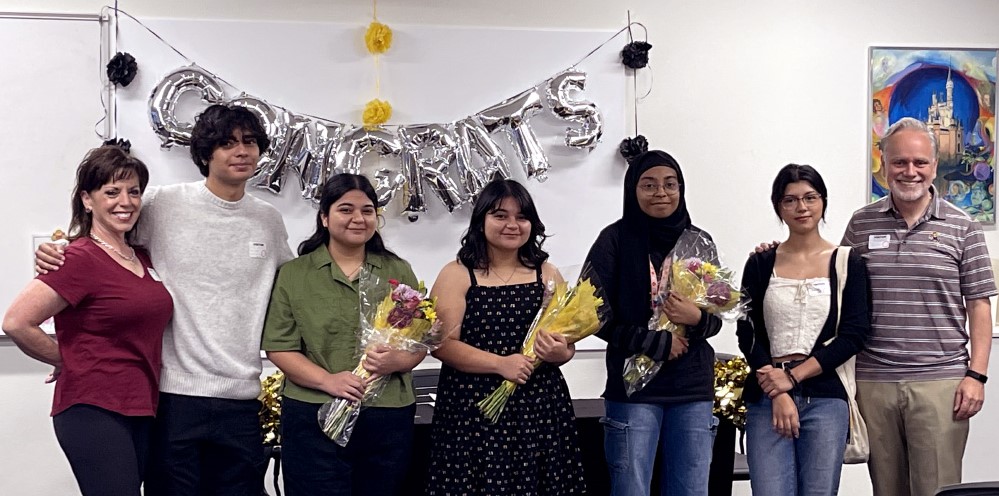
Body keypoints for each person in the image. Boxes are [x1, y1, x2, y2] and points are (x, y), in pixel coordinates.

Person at [36, 104, 294, 495]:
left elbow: (292, 288)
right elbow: (103, 232)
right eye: (227, 143)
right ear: (206, 153)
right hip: (173, 395)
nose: (241, 151)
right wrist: (56, 248)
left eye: (250, 142)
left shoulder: (269, 220)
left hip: (241, 396)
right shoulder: (160, 204)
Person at [3, 146, 173, 496]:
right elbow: (17, 322)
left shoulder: (141, 256)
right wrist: (67, 359)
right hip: (93, 408)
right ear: (87, 199)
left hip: (142, 404)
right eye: (111, 192)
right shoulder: (78, 257)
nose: (125, 201)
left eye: (134, 191)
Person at [842, 117, 995, 496]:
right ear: (884, 162)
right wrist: (773, 256)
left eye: (920, 162)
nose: (910, 172)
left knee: (936, 490)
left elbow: (979, 306)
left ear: (934, 165)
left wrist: (976, 376)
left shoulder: (964, 228)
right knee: (887, 490)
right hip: (873, 383)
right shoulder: (861, 225)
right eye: (900, 162)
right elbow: (833, 283)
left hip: (941, 384)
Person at [261, 173, 424, 496]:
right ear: (324, 217)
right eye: (345, 209)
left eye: (367, 211)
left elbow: (419, 341)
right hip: (313, 412)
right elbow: (279, 347)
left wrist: (397, 360)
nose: (357, 219)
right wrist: (328, 381)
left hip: (386, 413)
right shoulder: (294, 274)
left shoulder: (398, 270)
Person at [427, 179, 586, 495]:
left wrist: (560, 353)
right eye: (500, 215)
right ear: (481, 220)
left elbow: (566, 343)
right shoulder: (457, 273)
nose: (512, 224)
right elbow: (441, 345)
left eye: (522, 216)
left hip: (540, 404)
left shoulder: (547, 272)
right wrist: (500, 364)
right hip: (473, 408)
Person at [583, 149, 722, 496]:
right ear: (633, 190)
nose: (661, 193)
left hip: (692, 388)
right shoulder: (612, 241)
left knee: (690, 490)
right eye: (649, 185)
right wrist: (653, 342)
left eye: (669, 184)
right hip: (633, 390)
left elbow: (719, 315)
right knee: (631, 489)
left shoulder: (698, 242)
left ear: (681, 188)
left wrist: (697, 319)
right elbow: (592, 317)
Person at [737, 164, 870, 495]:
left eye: (810, 198)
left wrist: (794, 376)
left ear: (823, 202)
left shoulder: (846, 261)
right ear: (778, 206)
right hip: (768, 397)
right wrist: (779, 388)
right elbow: (747, 330)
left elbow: (854, 334)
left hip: (825, 397)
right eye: (790, 200)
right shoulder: (760, 262)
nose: (802, 208)